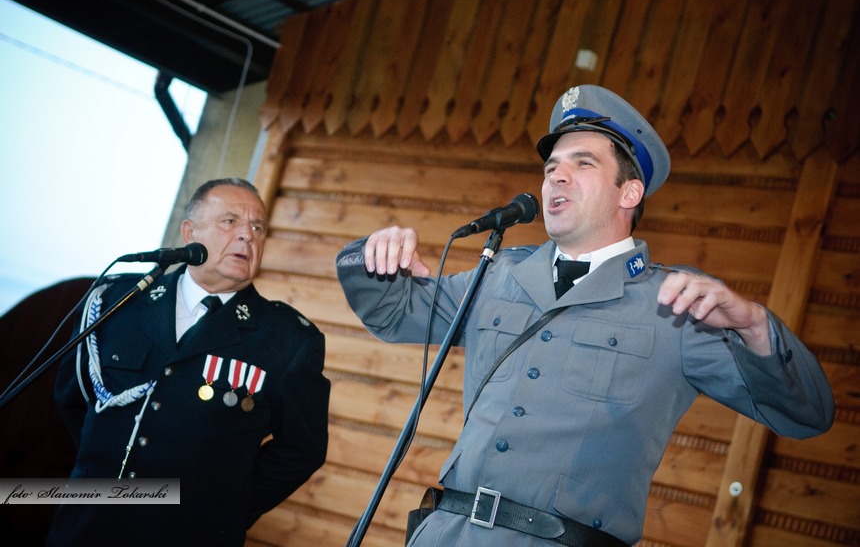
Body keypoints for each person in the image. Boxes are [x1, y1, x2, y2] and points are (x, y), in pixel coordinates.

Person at [335, 85, 834, 547]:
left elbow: (806, 414)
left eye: (583, 162)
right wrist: (372, 254)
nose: (556, 174)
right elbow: (394, 314)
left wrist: (754, 325)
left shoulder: (676, 306)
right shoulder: (499, 273)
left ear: (629, 193)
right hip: (446, 532)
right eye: (551, 165)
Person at [48, 178, 330, 546]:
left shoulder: (288, 339)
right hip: (85, 528)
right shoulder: (118, 301)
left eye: (258, 227)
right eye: (230, 221)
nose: (247, 235)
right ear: (189, 233)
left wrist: (226, 509)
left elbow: (302, 449)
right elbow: (74, 397)